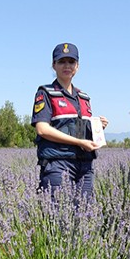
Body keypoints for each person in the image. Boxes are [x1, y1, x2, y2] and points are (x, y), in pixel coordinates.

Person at [31, 43, 108, 197]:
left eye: (71, 62)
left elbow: (78, 132)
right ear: (54, 65)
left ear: (77, 66)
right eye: (61, 61)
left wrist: (97, 127)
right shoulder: (46, 93)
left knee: (86, 214)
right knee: (56, 215)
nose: (67, 66)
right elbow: (42, 129)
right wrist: (79, 142)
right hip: (57, 163)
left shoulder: (83, 97)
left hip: (84, 165)